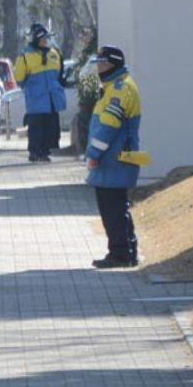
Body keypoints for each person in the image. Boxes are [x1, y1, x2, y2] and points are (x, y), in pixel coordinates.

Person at [84, 46, 145, 268]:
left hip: (113, 159)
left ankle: (120, 253)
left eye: (102, 63)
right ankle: (128, 251)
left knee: (113, 209)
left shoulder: (120, 90)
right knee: (118, 206)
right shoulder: (116, 86)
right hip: (116, 159)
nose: (99, 68)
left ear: (112, 64)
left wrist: (93, 154)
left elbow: (109, 126)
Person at [14, 23, 66, 162]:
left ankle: (46, 152)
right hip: (36, 99)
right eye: (42, 38)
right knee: (36, 128)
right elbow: (19, 78)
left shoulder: (54, 54)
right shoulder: (25, 56)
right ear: (35, 39)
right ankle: (35, 152)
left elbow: (60, 74)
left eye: (46, 38)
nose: (45, 41)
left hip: (52, 99)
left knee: (51, 128)